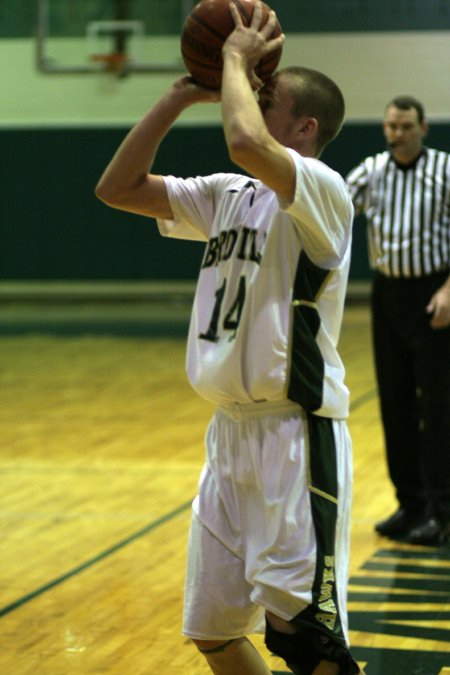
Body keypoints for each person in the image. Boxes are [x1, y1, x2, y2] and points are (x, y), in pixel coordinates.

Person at [96, 4, 364, 674]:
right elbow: (116, 188)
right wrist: (178, 94)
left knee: (305, 641)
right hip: (228, 437)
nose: (247, 94)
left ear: (304, 127)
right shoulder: (226, 194)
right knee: (212, 629)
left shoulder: (324, 190)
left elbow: (246, 140)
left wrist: (239, 61)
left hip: (296, 436)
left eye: (266, 96)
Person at [346, 96, 450, 547]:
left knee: (438, 407)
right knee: (395, 402)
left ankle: (442, 509)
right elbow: (334, 208)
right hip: (388, 294)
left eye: (405, 126)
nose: (396, 134)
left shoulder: (444, 171)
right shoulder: (372, 171)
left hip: (435, 295)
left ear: (423, 127)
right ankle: (409, 502)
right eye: (390, 126)